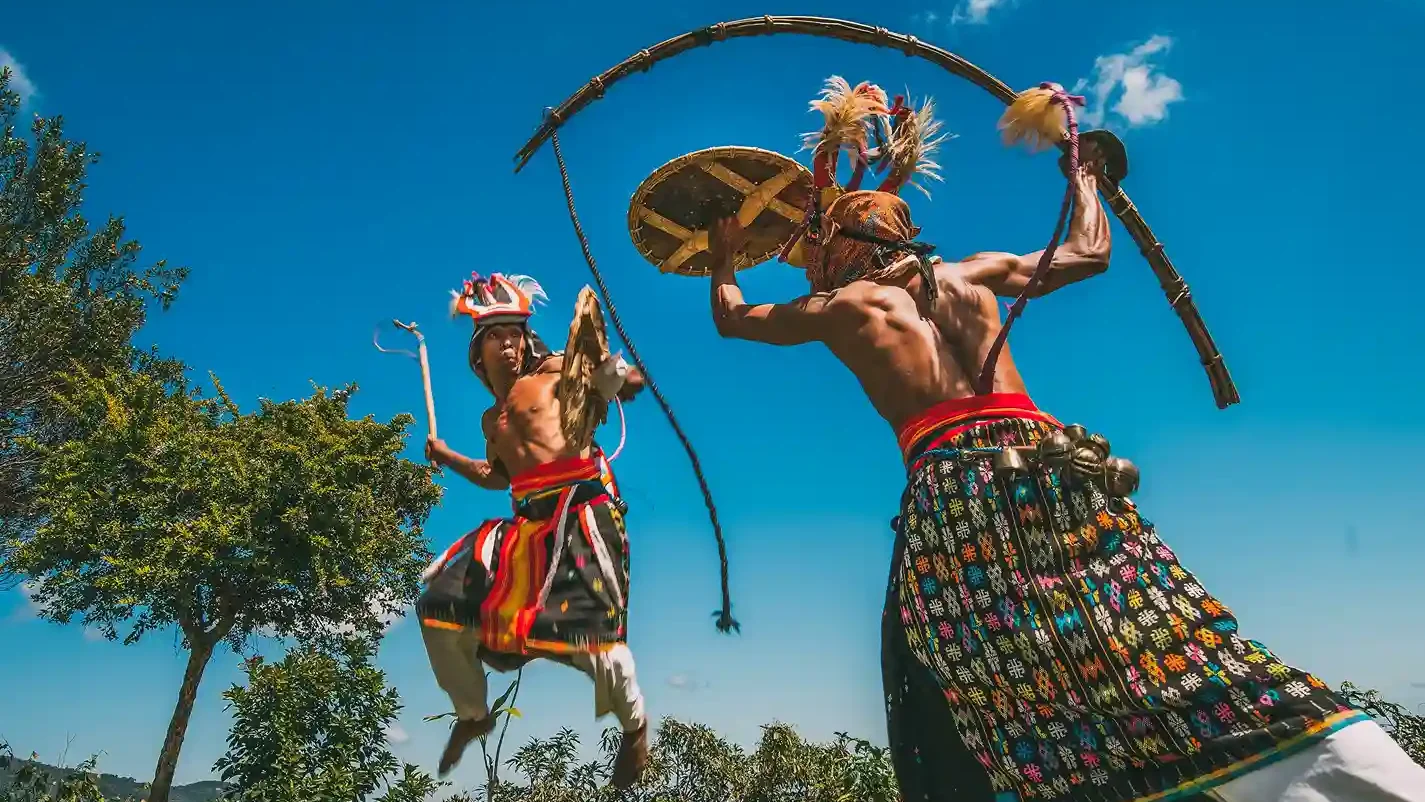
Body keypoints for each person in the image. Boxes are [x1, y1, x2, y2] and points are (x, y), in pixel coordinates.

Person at [701, 77, 1425, 802]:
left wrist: (722, 254)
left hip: (956, 487)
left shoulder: (841, 305)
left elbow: (734, 318)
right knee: (1149, 624)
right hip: (1055, 467)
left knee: (975, 661)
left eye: (816, 247)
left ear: (845, 247)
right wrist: (1083, 175)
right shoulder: (972, 273)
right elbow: (1088, 252)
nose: (810, 260)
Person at [416, 271, 651, 789]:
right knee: (438, 609)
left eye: (514, 332)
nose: (509, 343)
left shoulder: (554, 372)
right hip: (524, 530)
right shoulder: (491, 421)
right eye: (496, 335)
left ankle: (635, 729)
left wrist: (617, 378)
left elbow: (610, 381)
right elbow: (494, 475)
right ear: (478, 354)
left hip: (582, 514)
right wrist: (446, 455)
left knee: (593, 643)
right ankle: (473, 713)